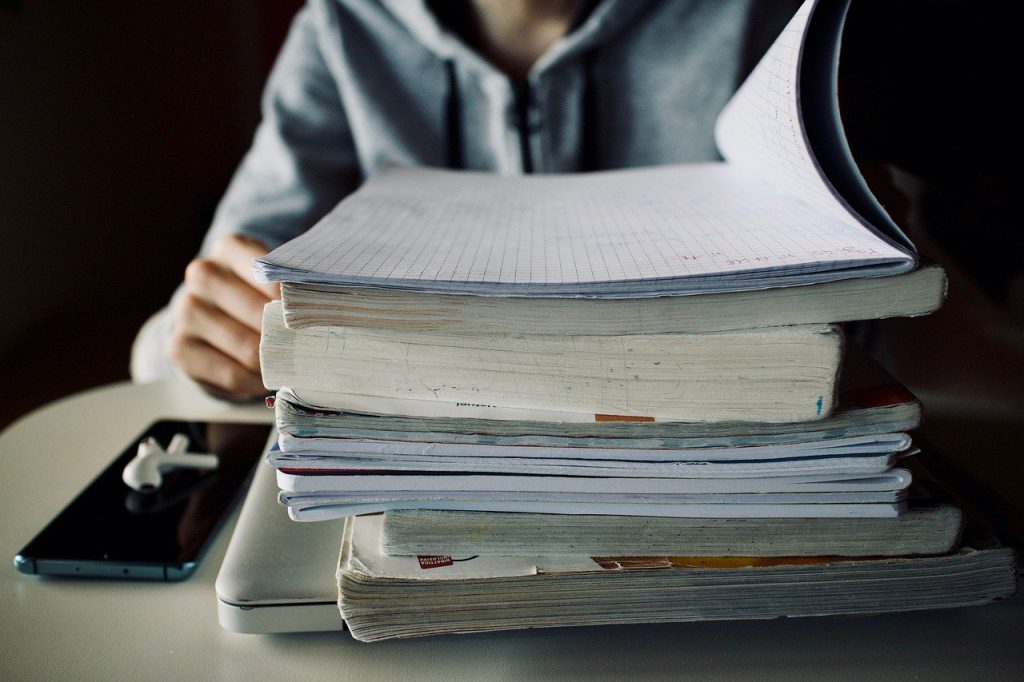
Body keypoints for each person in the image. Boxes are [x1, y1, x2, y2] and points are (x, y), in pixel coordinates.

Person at [131, 0, 799, 401]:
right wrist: (195, 340)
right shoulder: (344, 27)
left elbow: (866, 327)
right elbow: (182, 335)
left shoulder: (762, 20)